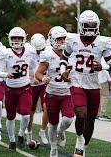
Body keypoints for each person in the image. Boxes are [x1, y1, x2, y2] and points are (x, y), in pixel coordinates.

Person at [59, 10, 111, 157]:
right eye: (87, 25)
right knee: (81, 114)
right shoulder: (73, 39)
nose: (90, 27)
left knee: (91, 119)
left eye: (93, 25)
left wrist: (102, 67)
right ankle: (79, 139)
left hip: (93, 84)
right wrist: (62, 71)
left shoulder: (103, 41)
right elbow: (63, 58)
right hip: (77, 81)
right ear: (81, 25)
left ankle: (83, 149)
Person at [35, 26, 74, 157]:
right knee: (52, 122)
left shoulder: (72, 53)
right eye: (59, 39)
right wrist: (43, 78)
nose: (63, 41)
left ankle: (61, 132)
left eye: (64, 38)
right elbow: (38, 73)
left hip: (67, 92)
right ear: (52, 40)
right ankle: (53, 148)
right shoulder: (48, 54)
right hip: (52, 92)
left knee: (68, 120)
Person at [0, 27, 33, 151]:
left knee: (26, 114)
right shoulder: (6, 53)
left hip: (25, 87)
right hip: (11, 88)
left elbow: (36, 65)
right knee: (10, 116)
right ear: (10, 39)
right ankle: (12, 140)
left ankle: (21, 134)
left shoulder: (29, 50)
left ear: (24, 39)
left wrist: (38, 75)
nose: (16, 40)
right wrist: (7, 75)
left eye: (19, 38)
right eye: (14, 38)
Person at [25, 33, 49, 145]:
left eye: (41, 49)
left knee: (47, 106)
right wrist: (33, 75)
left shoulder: (48, 50)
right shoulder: (27, 51)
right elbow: (23, 68)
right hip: (31, 84)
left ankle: (42, 131)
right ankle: (28, 133)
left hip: (43, 83)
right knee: (30, 112)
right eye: (37, 50)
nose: (39, 52)